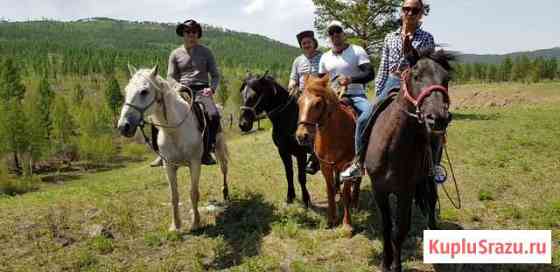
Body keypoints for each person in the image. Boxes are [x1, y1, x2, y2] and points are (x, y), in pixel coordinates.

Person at [150, 19, 221, 166]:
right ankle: (160, 153)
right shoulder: (175, 54)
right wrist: (177, 86)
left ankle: (208, 150)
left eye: (194, 31)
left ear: (198, 34)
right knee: (157, 114)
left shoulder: (206, 52)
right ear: (183, 34)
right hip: (181, 90)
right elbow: (170, 76)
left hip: (202, 90)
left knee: (213, 115)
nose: (191, 34)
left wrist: (211, 88)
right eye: (188, 31)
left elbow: (215, 75)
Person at [316, 21, 375, 181]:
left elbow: (370, 74)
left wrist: (350, 79)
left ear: (344, 33)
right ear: (329, 36)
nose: (335, 34)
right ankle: (316, 156)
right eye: (331, 32)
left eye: (338, 31)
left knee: (370, 114)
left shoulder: (357, 51)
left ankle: (366, 156)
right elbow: (322, 81)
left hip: (356, 96)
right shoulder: (324, 57)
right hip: (333, 98)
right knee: (312, 118)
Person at [288, 30, 322, 174]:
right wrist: (291, 84)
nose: (306, 45)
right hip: (302, 96)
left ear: (314, 43)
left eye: (309, 42)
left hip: (318, 96)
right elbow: (293, 78)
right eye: (303, 43)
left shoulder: (323, 57)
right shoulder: (298, 60)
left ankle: (315, 157)